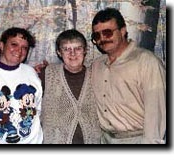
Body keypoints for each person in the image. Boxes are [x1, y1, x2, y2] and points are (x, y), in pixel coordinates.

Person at [91, 7, 166, 144]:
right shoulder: (96, 65)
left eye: (107, 33)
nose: (102, 38)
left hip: (137, 140)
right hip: (104, 140)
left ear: (123, 30)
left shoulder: (147, 62)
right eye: (97, 35)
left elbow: (156, 114)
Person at [0, 27, 43, 144]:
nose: (19, 50)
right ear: (1, 46)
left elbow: (38, 108)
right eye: (14, 44)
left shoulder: (31, 73)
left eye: (24, 48)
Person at [38, 29, 101, 144]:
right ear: (58, 52)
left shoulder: (96, 75)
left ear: (85, 50)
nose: (73, 53)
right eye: (66, 49)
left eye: (78, 48)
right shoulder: (47, 74)